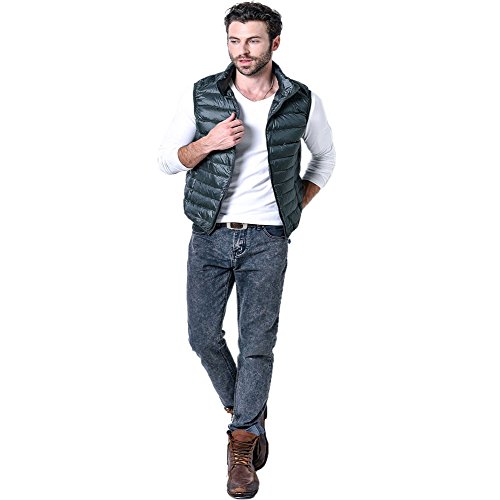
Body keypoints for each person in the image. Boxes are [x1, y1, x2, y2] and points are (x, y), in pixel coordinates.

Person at [158, 2, 335, 497]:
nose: (243, 50)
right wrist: (209, 142)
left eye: (253, 40)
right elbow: (167, 160)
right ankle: (249, 412)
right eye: (234, 40)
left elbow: (324, 159)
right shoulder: (204, 95)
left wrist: (292, 209)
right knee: (202, 337)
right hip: (209, 234)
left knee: (257, 343)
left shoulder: (301, 100)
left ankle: (241, 447)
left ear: (274, 43)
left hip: (267, 240)